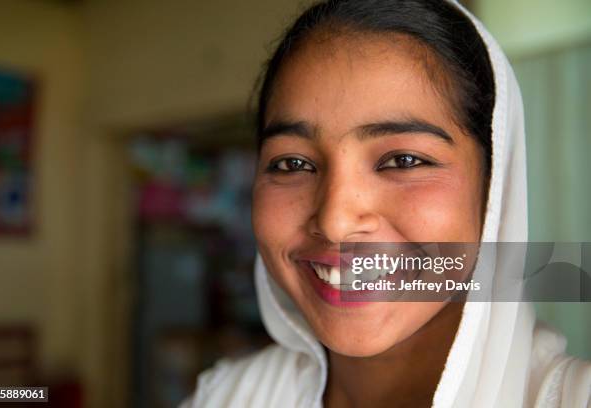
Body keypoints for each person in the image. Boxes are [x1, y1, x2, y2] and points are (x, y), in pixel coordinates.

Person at [180, 0, 591, 406]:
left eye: (403, 161)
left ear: (494, 183)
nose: (337, 221)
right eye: (293, 163)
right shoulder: (229, 397)